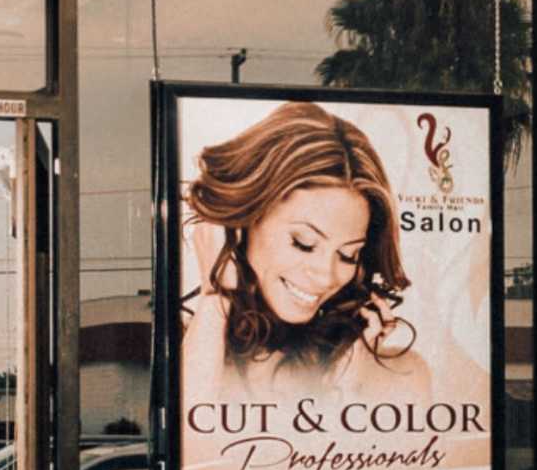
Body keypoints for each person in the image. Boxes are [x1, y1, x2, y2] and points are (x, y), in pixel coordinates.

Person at [178, 101, 434, 404]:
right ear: (242, 224)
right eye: (303, 242)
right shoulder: (184, 349)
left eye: (348, 255)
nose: (326, 275)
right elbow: (191, 436)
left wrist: (356, 382)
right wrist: (215, 298)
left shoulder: (401, 374)